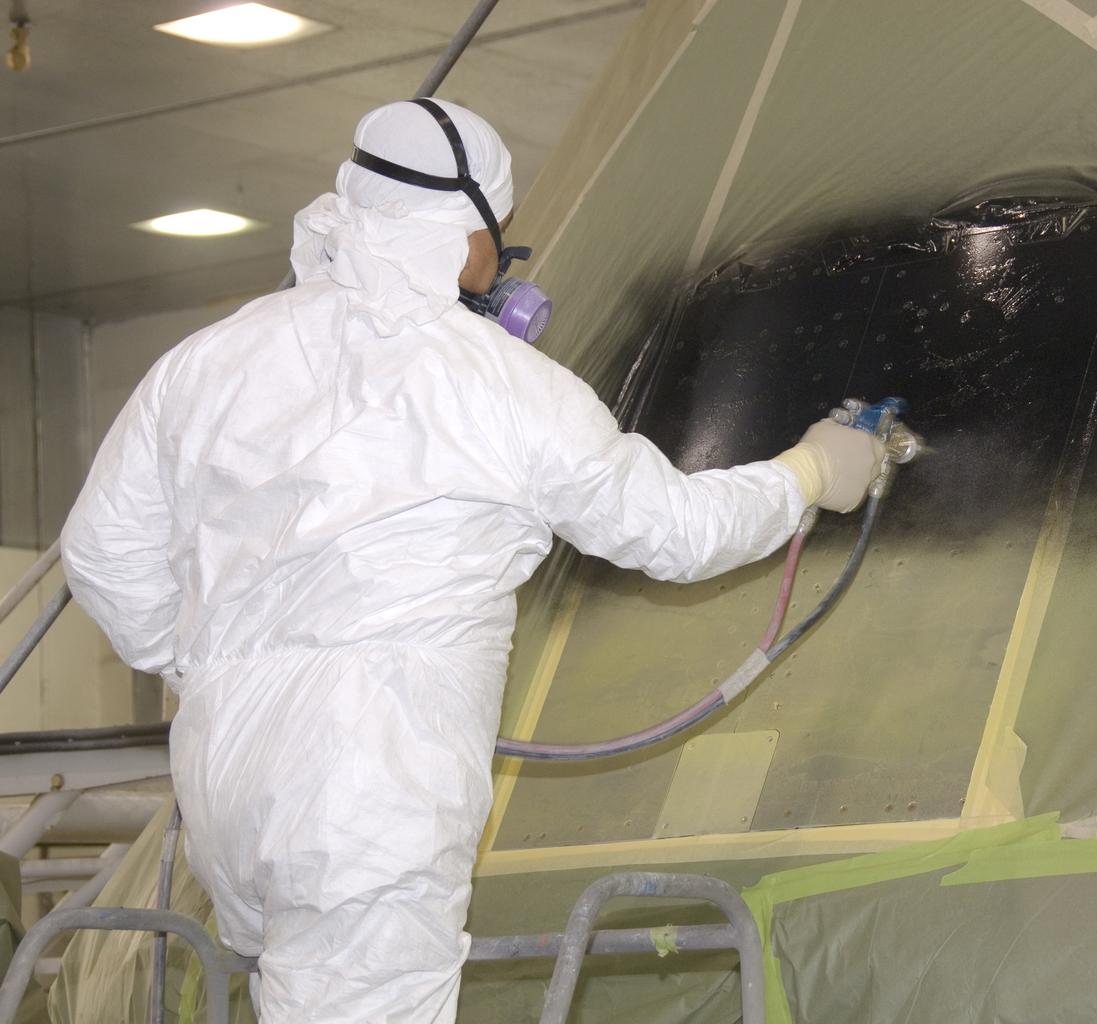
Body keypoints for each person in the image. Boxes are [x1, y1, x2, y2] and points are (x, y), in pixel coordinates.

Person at [60, 99, 882, 1023]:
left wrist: (210, 666)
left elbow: (101, 553)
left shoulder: (209, 362)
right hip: (374, 782)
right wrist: (809, 473)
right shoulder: (492, 384)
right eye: (499, 235)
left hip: (225, 769)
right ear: (463, 239)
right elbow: (673, 531)